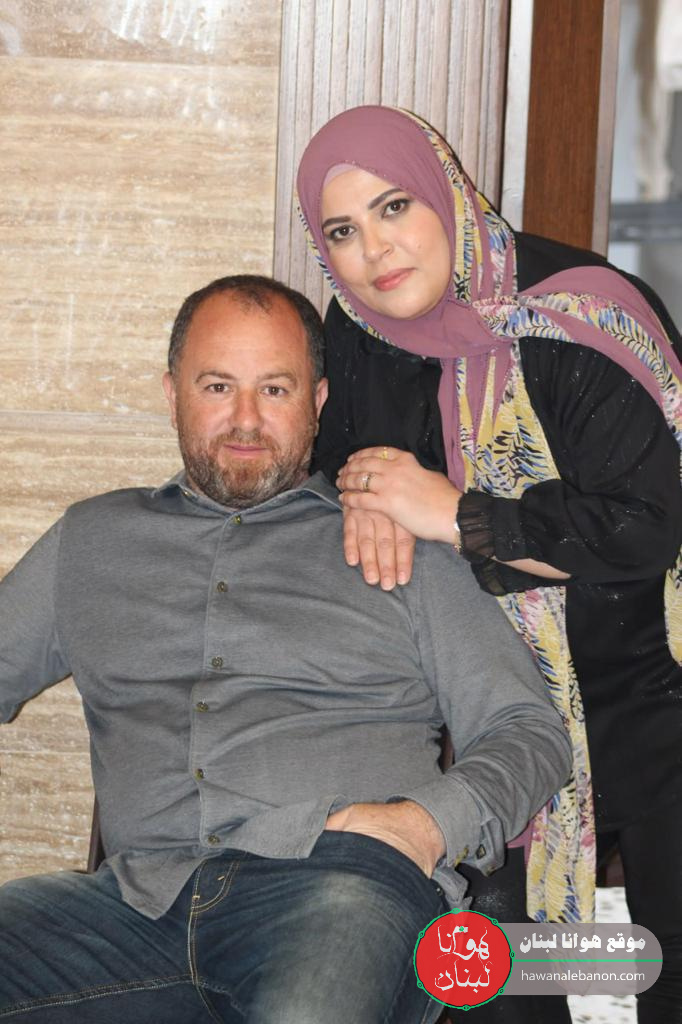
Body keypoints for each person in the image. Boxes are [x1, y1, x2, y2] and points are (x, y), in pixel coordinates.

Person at [0, 274, 570, 1024]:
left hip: (340, 885)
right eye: (217, 387)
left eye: (274, 389)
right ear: (172, 394)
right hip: (131, 907)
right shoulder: (91, 542)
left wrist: (423, 824)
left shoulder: (406, 548)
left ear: (317, 401)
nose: (245, 420)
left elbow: (529, 734)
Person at [296, 104, 682, 1024]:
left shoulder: (576, 317)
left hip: (653, 703)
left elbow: (648, 528)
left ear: (444, 192)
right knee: (498, 988)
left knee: (666, 976)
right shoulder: (356, 333)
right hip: (492, 729)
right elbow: (330, 475)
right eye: (341, 232)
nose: (375, 253)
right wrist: (361, 496)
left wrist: (457, 514)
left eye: (394, 207)